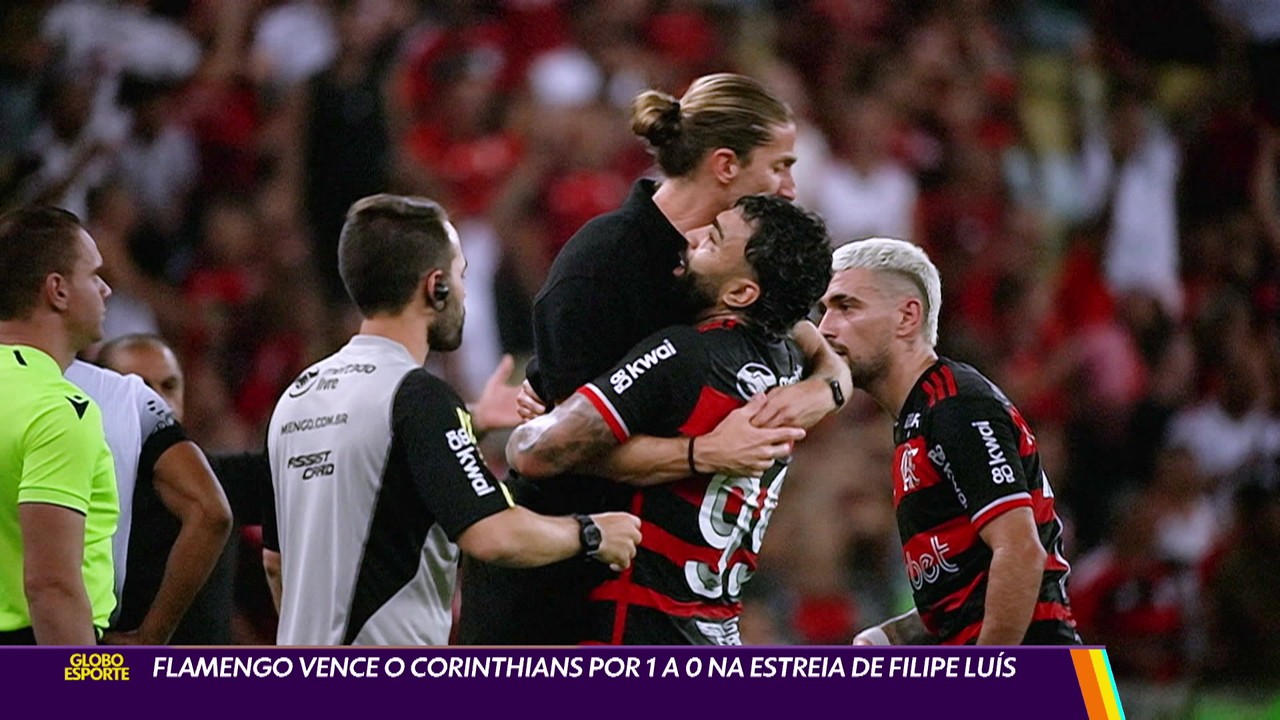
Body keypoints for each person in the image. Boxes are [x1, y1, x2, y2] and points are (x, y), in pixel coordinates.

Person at [460, 72, 851, 646]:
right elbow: (560, 450)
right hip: (553, 583)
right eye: (780, 165)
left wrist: (819, 393)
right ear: (725, 165)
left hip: (645, 589)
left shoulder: (739, 266)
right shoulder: (603, 266)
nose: (789, 186)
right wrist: (703, 453)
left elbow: (827, 357)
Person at [262, 194, 641, 646]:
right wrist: (591, 532)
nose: (464, 293)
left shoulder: (296, 398)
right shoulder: (417, 397)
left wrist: (470, 421)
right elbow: (493, 533)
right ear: (435, 286)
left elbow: (276, 562)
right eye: (462, 277)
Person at [506, 195, 833, 644]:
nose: (692, 238)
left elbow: (530, 451)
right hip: (717, 635)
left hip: (641, 635)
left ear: (740, 293)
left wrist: (549, 416)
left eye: (713, 240)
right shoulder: (788, 360)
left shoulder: (685, 356)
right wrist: (834, 385)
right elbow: (820, 348)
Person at [816, 238, 1080, 646]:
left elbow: (1022, 551)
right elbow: (970, 593)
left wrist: (978, 682)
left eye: (846, 307)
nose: (825, 329)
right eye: (824, 311)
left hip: (1043, 677)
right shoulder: (919, 419)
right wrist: (895, 636)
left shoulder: (956, 405)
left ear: (907, 317)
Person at [0, 206, 116, 645]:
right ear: (58, 290)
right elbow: (51, 586)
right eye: (94, 275)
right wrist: (86, 693)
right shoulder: (58, 410)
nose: (105, 289)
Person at [89, 334, 240, 644]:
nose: (158, 402)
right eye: (141, 389)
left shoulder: (221, 479)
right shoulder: (74, 486)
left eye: (169, 386)